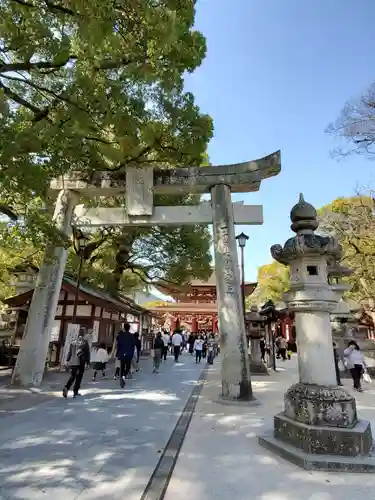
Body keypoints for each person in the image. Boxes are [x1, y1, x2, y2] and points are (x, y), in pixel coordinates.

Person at [63, 327, 91, 398]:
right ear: (84, 334)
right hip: (81, 362)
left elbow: (70, 352)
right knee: (79, 377)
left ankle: (66, 387)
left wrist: (67, 360)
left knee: (72, 376)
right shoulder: (84, 342)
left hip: (73, 362)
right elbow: (87, 353)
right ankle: (75, 392)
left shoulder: (73, 341)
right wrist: (88, 363)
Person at [116, 323, 136, 388]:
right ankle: (124, 376)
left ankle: (121, 378)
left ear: (124, 328)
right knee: (127, 367)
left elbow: (118, 344)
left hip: (122, 353)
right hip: (129, 353)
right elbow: (133, 345)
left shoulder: (120, 336)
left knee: (122, 367)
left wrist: (118, 353)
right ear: (129, 328)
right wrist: (132, 353)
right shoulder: (131, 336)